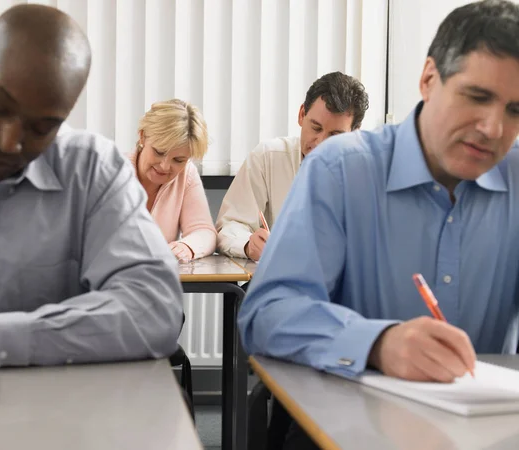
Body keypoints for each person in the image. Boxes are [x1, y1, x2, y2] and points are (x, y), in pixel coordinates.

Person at [239, 0, 519, 448]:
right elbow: (266, 313)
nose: (493, 127)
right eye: (478, 96)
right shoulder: (339, 170)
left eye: (516, 111)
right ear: (429, 78)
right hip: (346, 431)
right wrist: (378, 344)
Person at [0, 4, 184, 368]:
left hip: (61, 414)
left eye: (42, 127)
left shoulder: (92, 170)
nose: (10, 142)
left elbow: (156, 311)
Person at [216, 72, 369, 260]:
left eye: (335, 135)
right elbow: (230, 225)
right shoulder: (268, 157)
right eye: (316, 128)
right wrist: (248, 244)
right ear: (301, 115)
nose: (320, 142)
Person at [130, 99, 216, 262]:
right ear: (142, 137)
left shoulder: (187, 174)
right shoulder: (111, 172)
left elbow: (204, 231)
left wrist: (187, 247)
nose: (164, 166)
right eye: (159, 152)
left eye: (178, 160)